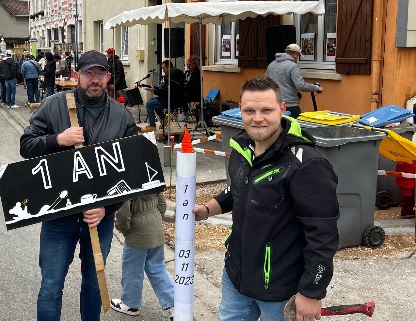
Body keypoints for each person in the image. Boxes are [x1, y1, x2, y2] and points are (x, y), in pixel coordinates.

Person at [192, 76, 339, 321]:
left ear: (282, 109)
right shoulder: (242, 148)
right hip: (236, 276)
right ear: (240, 111)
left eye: (266, 110)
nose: (257, 118)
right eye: (250, 110)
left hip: (280, 287)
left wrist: (312, 292)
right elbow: (238, 189)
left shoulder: (306, 164)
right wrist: (207, 209)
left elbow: (323, 234)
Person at [20, 50, 138, 321]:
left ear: (109, 77)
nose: (94, 80)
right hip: (58, 217)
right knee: (51, 287)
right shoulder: (54, 105)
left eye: (100, 73)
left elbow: (133, 174)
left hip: (99, 220)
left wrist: (108, 208)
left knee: (94, 284)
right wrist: (57, 140)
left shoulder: (122, 117)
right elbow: (26, 146)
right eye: (88, 73)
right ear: (77, 75)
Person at [110, 192, 174, 319]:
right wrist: (155, 219)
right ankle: (175, 304)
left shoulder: (127, 180)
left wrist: (123, 229)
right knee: (157, 267)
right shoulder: (149, 175)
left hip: (137, 231)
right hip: (155, 228)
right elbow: (162, 203)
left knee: (132, 270)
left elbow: (123, 213)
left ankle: (130, 303)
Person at [266, 44, 323, 118]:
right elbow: (300, 86)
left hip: (273, 104)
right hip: (290, 105)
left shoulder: (271, 65)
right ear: (295, 54)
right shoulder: (293, 66)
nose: (297, 58)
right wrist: (316, 88)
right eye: (298, 55)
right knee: (294, 127)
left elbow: (266, 83)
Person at [140, 60, 186, 133]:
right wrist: (155, 88)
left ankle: (152, 126)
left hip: (172, 100)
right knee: (152, 101)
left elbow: (166, 92)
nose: (163, 71)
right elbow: (165, 90)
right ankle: (163, 118)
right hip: (174, 98)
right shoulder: (178, 72)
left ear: (169, 67)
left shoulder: (172, 76)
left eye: (164, 69)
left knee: (149, 104)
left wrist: (154, 91)